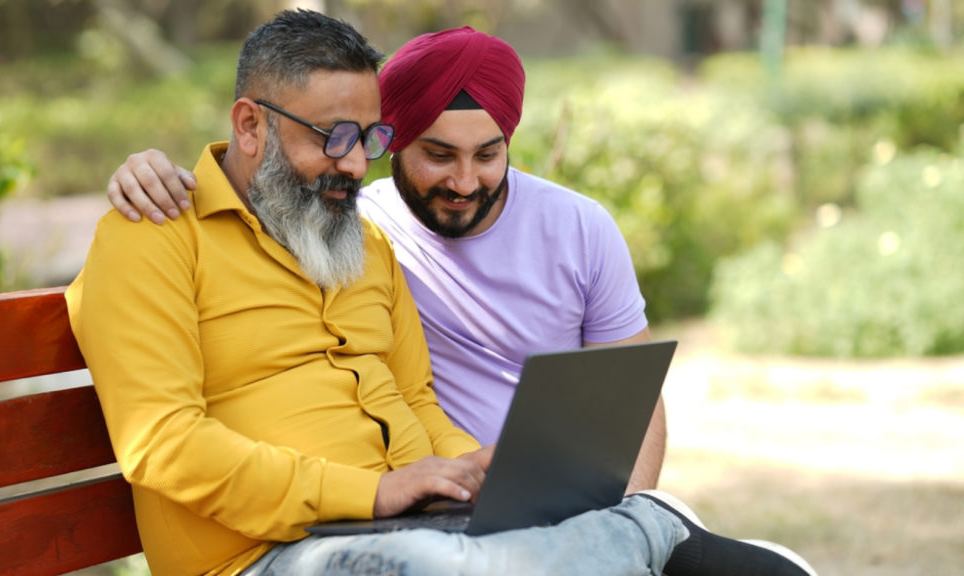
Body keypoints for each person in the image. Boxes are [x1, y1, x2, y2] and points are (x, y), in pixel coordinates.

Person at [71, 9, 818, 576]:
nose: (355, 167)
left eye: (370, 140)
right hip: (275, 557)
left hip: (412, 531)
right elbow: (163, 445)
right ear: (251, 125)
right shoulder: (153, 237)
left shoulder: (360, 242)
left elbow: (416, 402)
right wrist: (373, 494)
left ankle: (632, 529)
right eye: (333, 138)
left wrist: (480, 475)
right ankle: (646, 533)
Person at [107, 26, 666, 492]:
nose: (465, 181)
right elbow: (162, 438)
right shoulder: (359, 223)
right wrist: (150, 169)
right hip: (356, 527)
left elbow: (629, 403)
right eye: (440, 154)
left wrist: (622, 508)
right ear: (398, 145)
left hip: (500, 497)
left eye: (488, 154)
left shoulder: (358, 239)